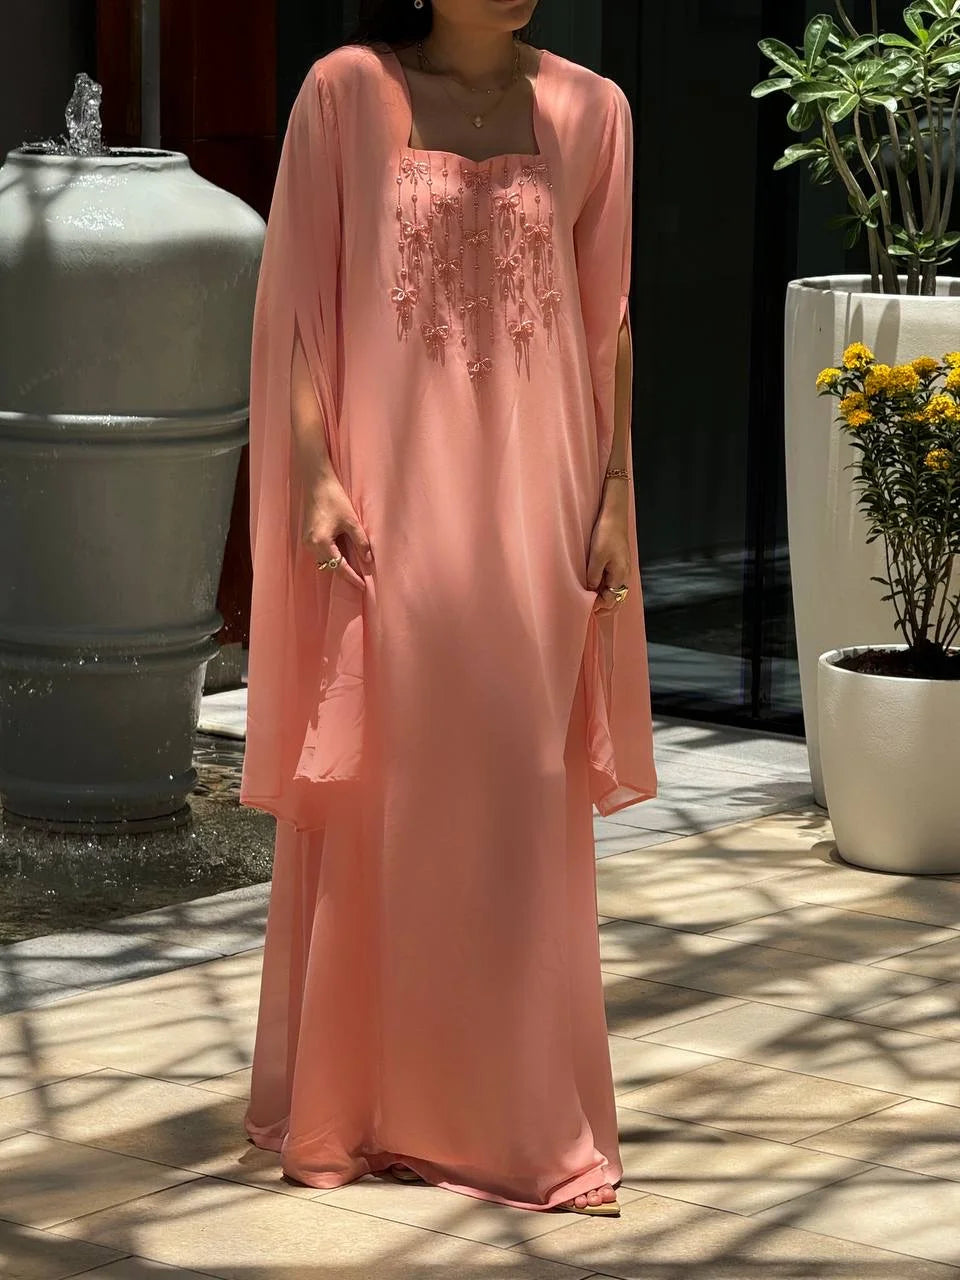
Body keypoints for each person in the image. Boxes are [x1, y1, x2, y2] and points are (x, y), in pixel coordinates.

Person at [239, 0, 657, 1217]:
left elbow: (610, 322)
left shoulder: (594, 110)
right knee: (394, 781)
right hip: (393, 505)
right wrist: (314, 473)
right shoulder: (342, 94)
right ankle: (364, 1108)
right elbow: (302, 307)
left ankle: (524, 1119)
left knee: (522, 790)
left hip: (539, 502)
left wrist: (616, 495)